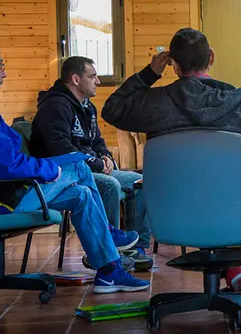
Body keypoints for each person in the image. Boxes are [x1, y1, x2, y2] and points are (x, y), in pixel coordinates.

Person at [0, 42, 150, 294]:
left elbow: (2, 159)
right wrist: (49, 171)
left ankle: (109, 273)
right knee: (77, 166)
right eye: (0, 66)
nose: (4, 72)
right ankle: (110, 237)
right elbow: (9, 166)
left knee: (82, 195)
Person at [101, 28, 241, 295]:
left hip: (173, 215)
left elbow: (112, 109)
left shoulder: (155, 104)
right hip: (237, 213)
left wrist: (150, 73)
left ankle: (233, 273)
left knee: (201, 193)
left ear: (173, 66)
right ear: (211, 57)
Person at [29, 57, 152, 269]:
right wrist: (97, 164)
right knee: (109, 184)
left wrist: (106, 157)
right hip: (64, 175)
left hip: (92, 167)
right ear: (76, 79)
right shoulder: (55, 106)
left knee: (140, 181)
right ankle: (109, 251)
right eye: (93, 76)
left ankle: (136, 249)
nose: (98, 82)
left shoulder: (88, 107)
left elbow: (97, 141)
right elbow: (60, 149)